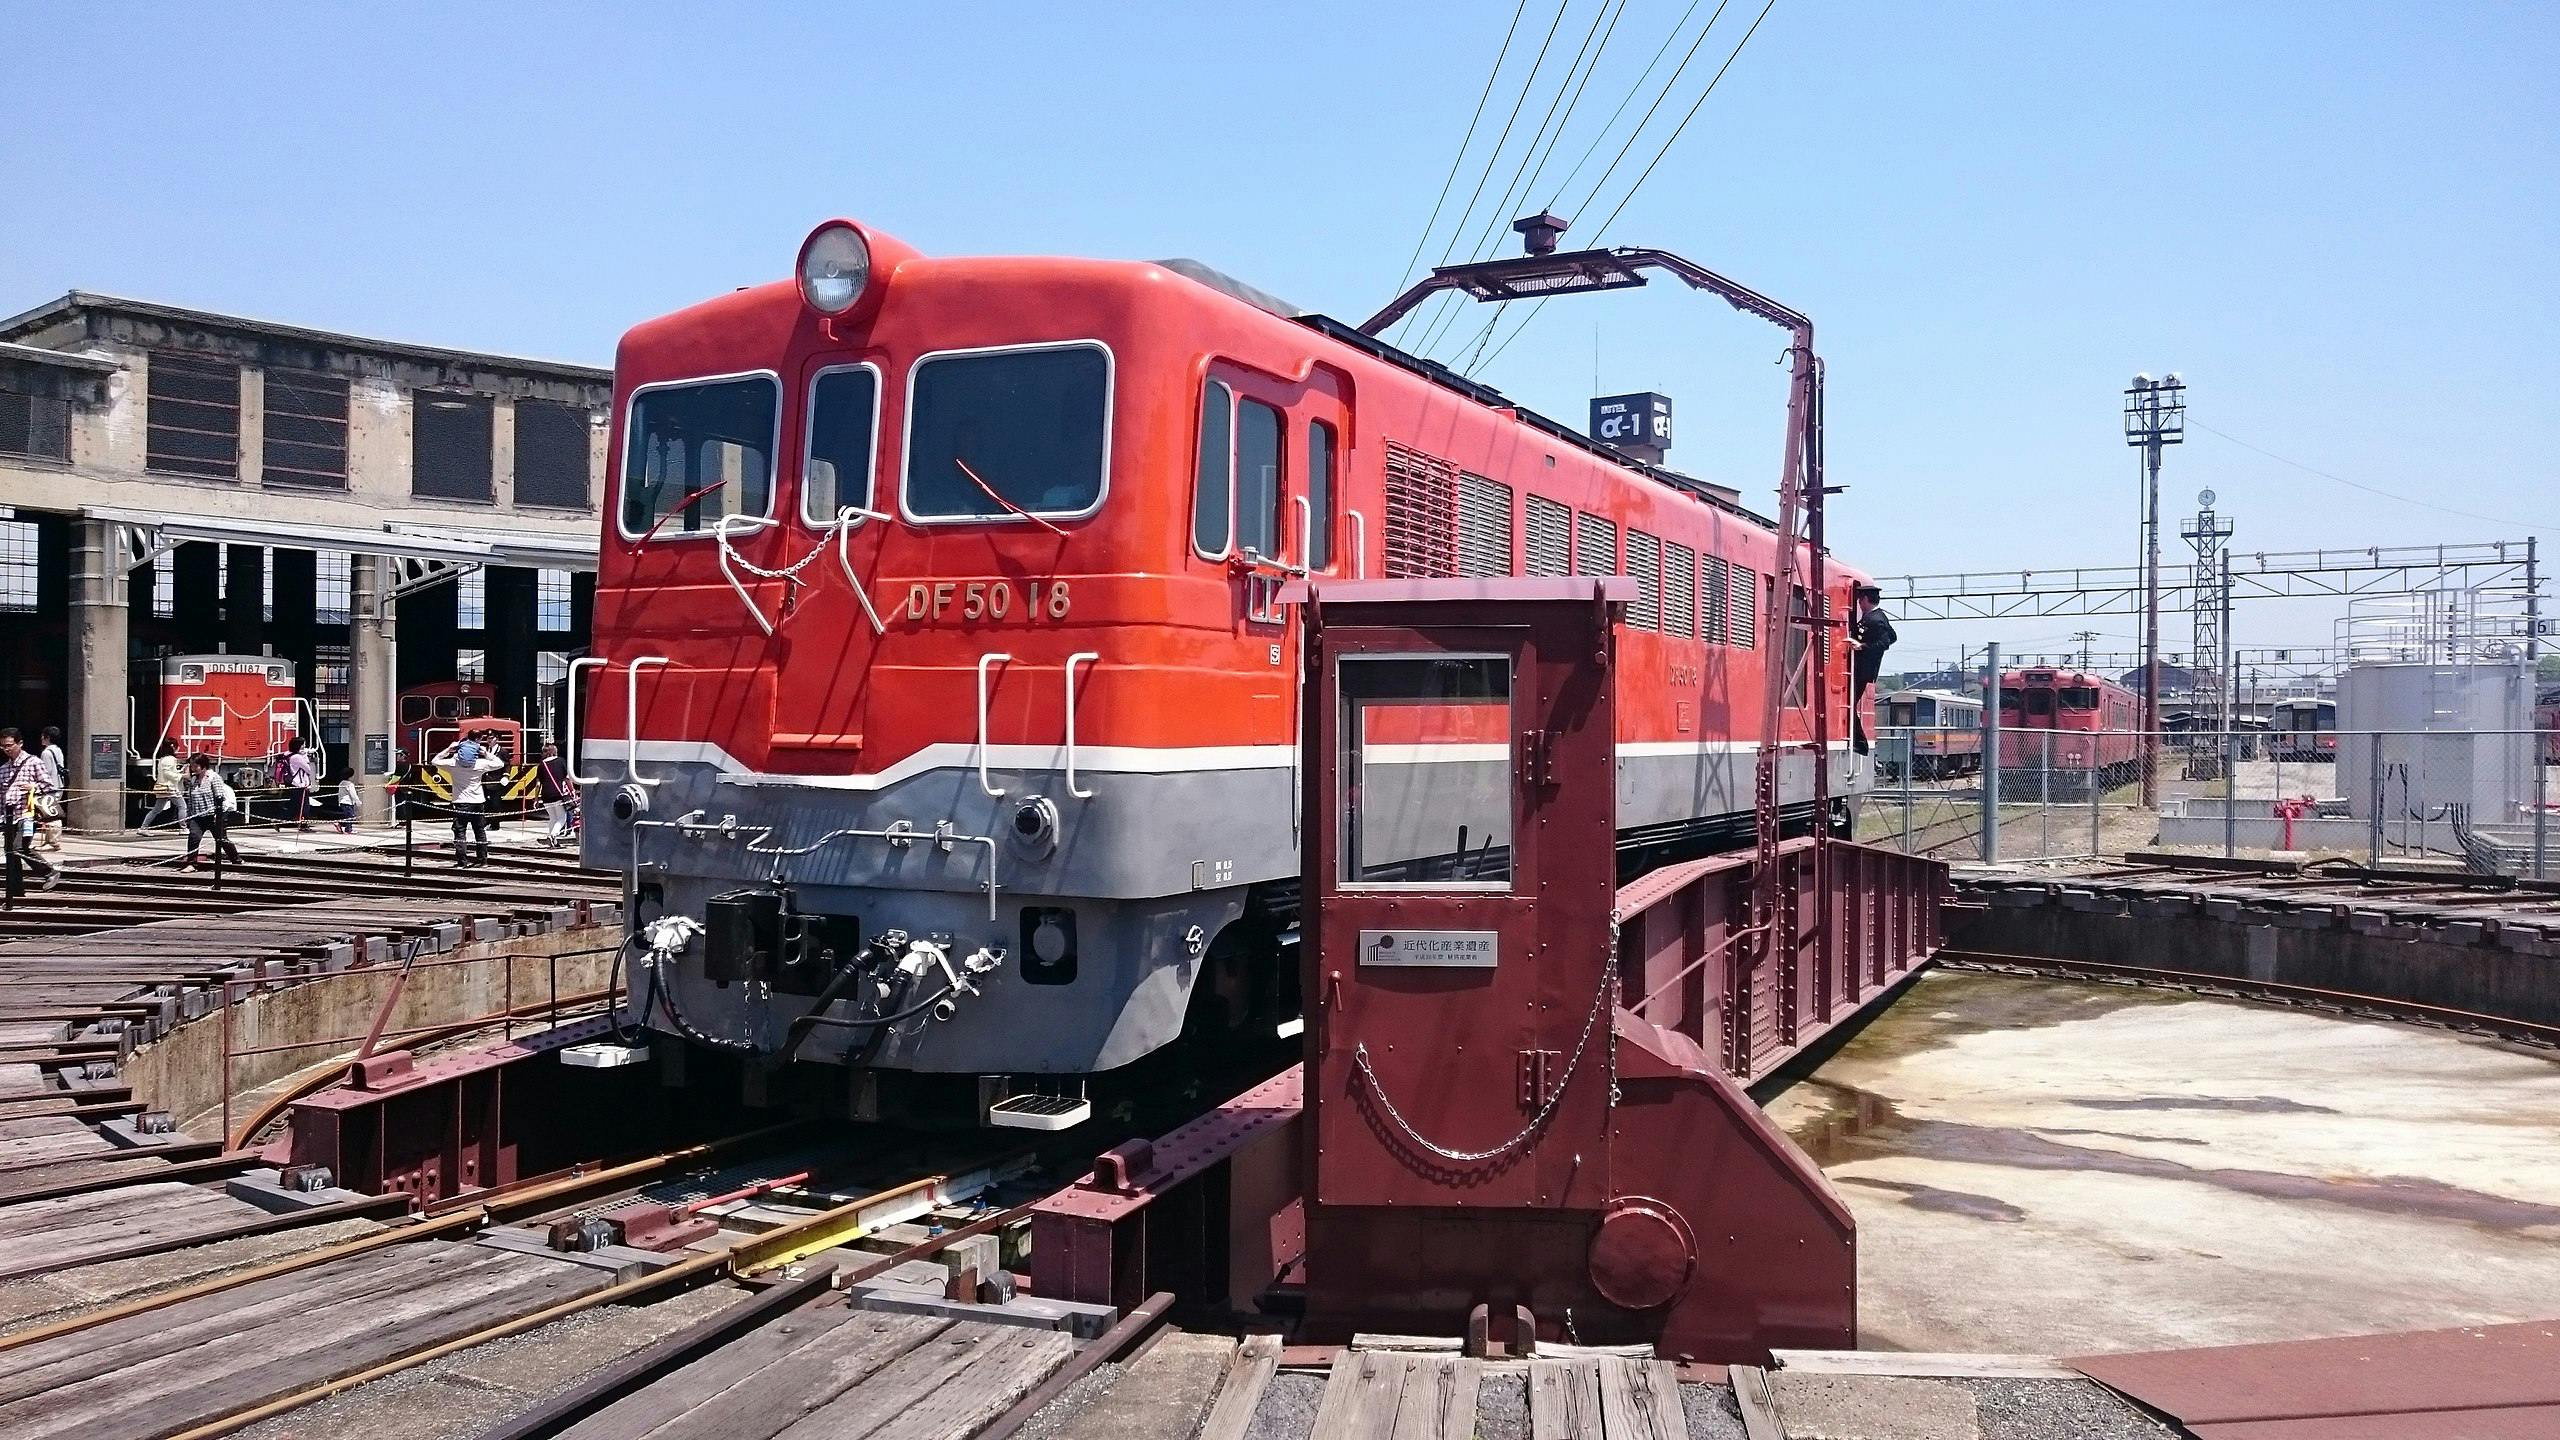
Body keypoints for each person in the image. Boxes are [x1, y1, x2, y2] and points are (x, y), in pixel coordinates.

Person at [0, 728, 62, 898]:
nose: (6, 749)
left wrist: (33, 787)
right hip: (9, 817)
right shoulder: (4, 768)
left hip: (28, 814)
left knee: (19, 847)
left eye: (10, 745)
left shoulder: (33, 762)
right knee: (10, 853)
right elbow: (2, 796)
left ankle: (49, 871)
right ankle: (15, 891)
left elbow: (50, 787)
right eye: (3, 746)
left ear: (20, 743)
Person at [433, 731, 505, 867]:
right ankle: (483, 860)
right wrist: (485, 753)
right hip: (478, 802)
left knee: (460, 832)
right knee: (479, 831)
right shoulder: (480, 764)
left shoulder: (453, 764)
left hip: (461, 803)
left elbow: (435, 761)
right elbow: (499, 764)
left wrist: (448, 749)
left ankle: (462, 861)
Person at [1847, 583, 1897, 756]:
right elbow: (1893, 636)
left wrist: (1862, 646)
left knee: (1850, 704)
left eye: (1861, 599)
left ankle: (1860, 743)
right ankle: (1858, 742)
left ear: (1866, 599)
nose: (1859, 603)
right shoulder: (1878, 616)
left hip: (1863, 668)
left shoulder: (1875, 619)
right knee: (1850, 703)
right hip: (1863, 668)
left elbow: (1885, 642)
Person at [178, 753, 243, 870]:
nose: (193, 769)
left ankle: (236, 859)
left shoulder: (214, 778)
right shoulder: (194, 780)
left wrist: (218, 815)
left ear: (203, 766)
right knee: (194, 837)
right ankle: (192, 863)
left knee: (222, 839)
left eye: (195, 766)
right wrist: (189, 815)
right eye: (191, 766)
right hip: (197, 816)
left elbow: (220, 797)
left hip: (213, 815)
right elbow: (191, 799)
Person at [534, 740, 574, 847]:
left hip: (545, 795)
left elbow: (538, 784)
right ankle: (552, 835)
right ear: (554, 752)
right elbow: (566, 778)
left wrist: (536, 798)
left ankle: (553, 842)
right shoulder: (561, 761)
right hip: (558, 794)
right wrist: (572, 791)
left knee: (553, 818)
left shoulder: (541, 765)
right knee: (562, 818)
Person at [34, 726, 66, 850]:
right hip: (59, 785)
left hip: (50, 787)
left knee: (51, 814)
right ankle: (50, 840)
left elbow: (45, 772)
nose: (41, 738)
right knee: (51, 813)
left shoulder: (46, 752)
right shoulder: (57, 750)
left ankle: (54, 841)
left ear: (48, 737)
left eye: (43, 736)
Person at [142, 740, 183, 829]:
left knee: (156, 809)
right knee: (182, 806)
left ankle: (143, 827)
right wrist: (180, 775)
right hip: (170, 788)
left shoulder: (162, 759)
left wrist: (179, 772)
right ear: (173, 747)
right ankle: (184, 828)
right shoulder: (171, 759)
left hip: (162, 787)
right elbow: (167, 773)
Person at [284, 737, 319, 832]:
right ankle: (304, 825)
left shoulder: (289, 755)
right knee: (304, 806)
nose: (304, 746)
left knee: (294, 805)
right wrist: (305, 756)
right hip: (300, 784)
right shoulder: (297, 757)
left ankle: (280, 821)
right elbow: (309, 769)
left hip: (295, 784)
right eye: (303, 744)